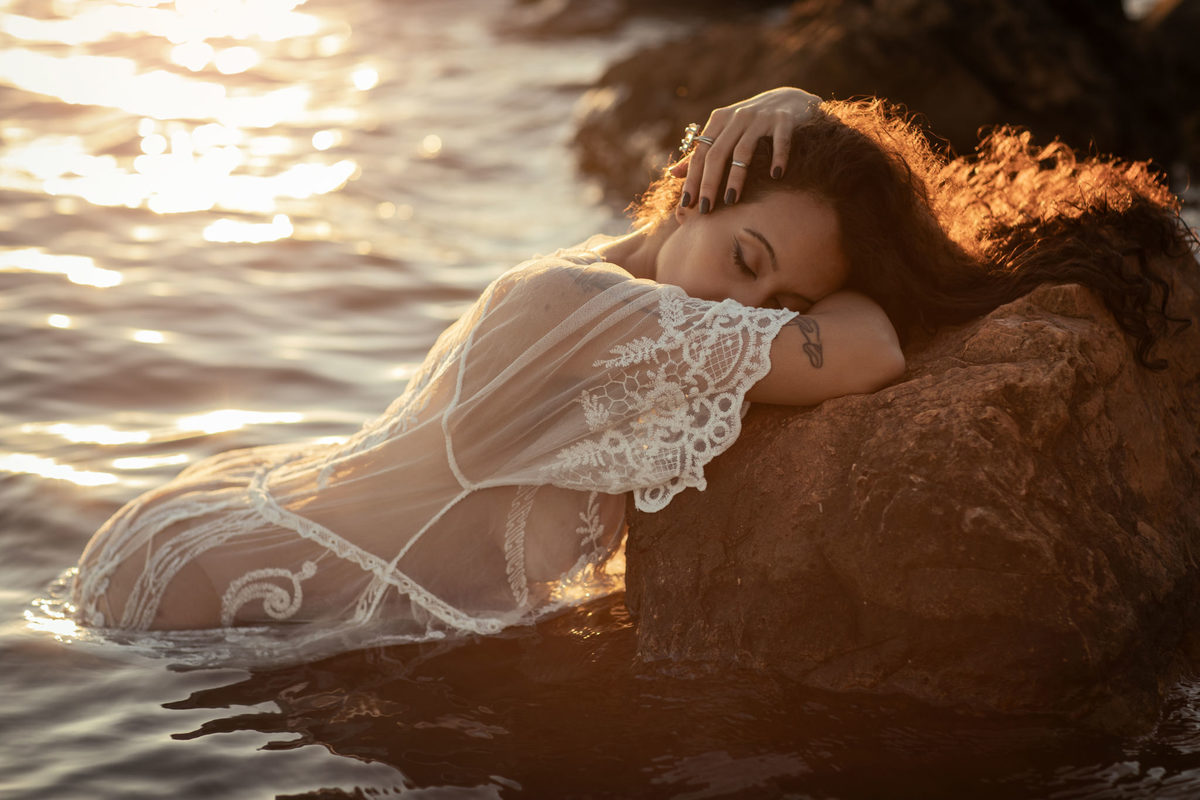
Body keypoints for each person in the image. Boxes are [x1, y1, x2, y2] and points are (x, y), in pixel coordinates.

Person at [71, 87, 1195, 648]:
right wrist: (825, 276)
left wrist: (794, 105)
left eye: (782, 301)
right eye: (749, 258)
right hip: (219, 582)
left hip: (262, 548)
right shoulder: (588, 310)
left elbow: (835, 317)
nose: (743, 311)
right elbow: (874, 348)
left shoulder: (619, 283)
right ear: (700, 191)